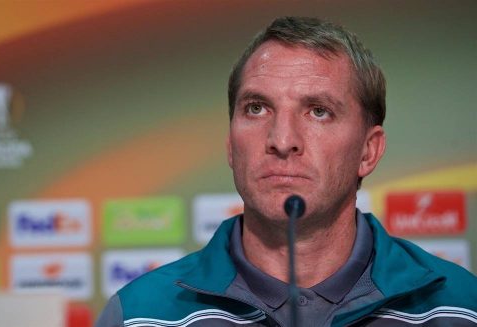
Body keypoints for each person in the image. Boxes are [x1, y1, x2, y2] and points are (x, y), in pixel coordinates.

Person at [96, 16, 477, 327]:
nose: (281, 140)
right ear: (231, 145)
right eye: (257, 108)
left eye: (318, 111)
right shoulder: (140, 316)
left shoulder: (460, 308)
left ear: (368, 150)